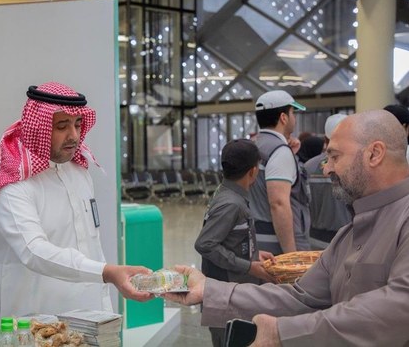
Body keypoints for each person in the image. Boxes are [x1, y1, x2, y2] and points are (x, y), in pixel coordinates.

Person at [165, 110, 409, 346]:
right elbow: (300, 297)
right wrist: (209, 290)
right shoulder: (347, 235)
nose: (326, 168)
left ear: (374, 154)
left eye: (335, 157)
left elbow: (398, 308)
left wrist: (283, 332)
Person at [0, 82, 152, 317]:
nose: (74, 136)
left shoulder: (79, 173)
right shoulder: (14, 184)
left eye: (78, 124)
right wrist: (107, 273)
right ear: (39, 127)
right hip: (26, 321)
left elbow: (92, 245)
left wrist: (104, 308)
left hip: (83, 317)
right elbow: (34, 251)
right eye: (62, 126)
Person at [194, 139, 276, 347]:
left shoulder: (229, 195)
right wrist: (249, 266)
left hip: (232, 294)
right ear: (253, 171)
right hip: (225, 298)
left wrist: (254, 255)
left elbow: (230, 238)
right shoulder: (230, 203)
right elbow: (205, 244)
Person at [249, 90, 311, 255]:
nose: (294, 118)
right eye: (293, 113)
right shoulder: (279, 151)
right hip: (275, 242)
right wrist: (291, 254)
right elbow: (278, 204)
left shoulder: (252, 145)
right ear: (283, 117)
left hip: (254, 236)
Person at [304, 113, 352, 249]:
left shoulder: (309, 166)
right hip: (349, 239)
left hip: (315, 241)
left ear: (325, 138)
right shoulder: (354, 164)